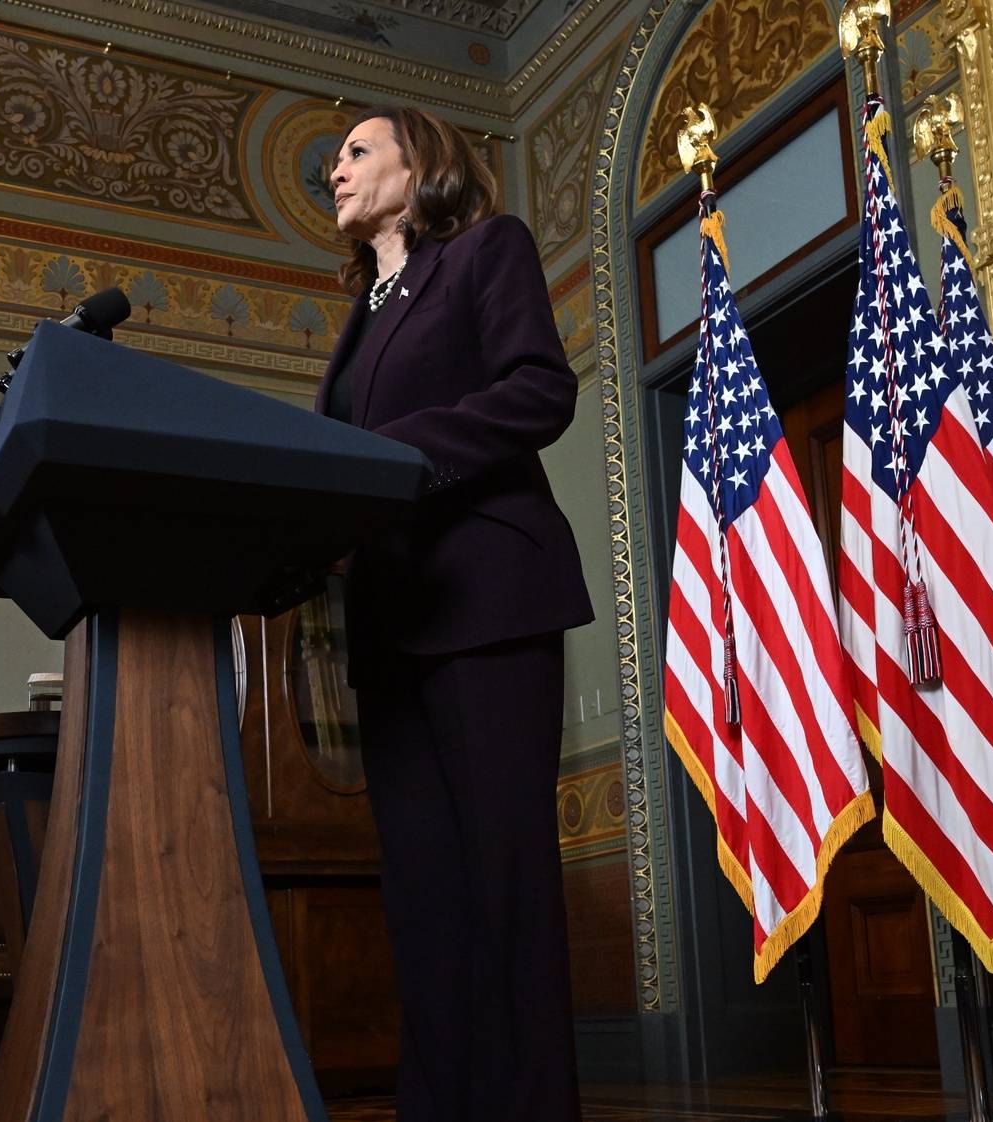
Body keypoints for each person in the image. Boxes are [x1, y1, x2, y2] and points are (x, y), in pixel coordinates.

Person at [318, 106, 595, 1122]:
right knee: (423, 896)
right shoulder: (360, 318)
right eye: (332, 162)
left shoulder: (486, 251)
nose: (334, 172)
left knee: (502, 879)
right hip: (389, 628)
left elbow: (539, 389)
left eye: (355, 151)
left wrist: (399, 461)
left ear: (417, 164)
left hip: (486, 599)